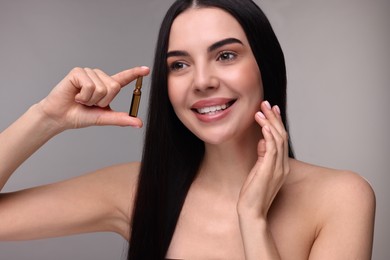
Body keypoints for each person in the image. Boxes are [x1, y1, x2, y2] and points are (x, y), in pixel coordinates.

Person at [0, 0, 375, 259]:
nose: (201, 81)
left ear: (266, 65)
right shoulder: (137, 190)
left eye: (225, 55)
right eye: (179, 65)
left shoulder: (341, 199)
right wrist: (46, 118)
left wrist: (253, 219)